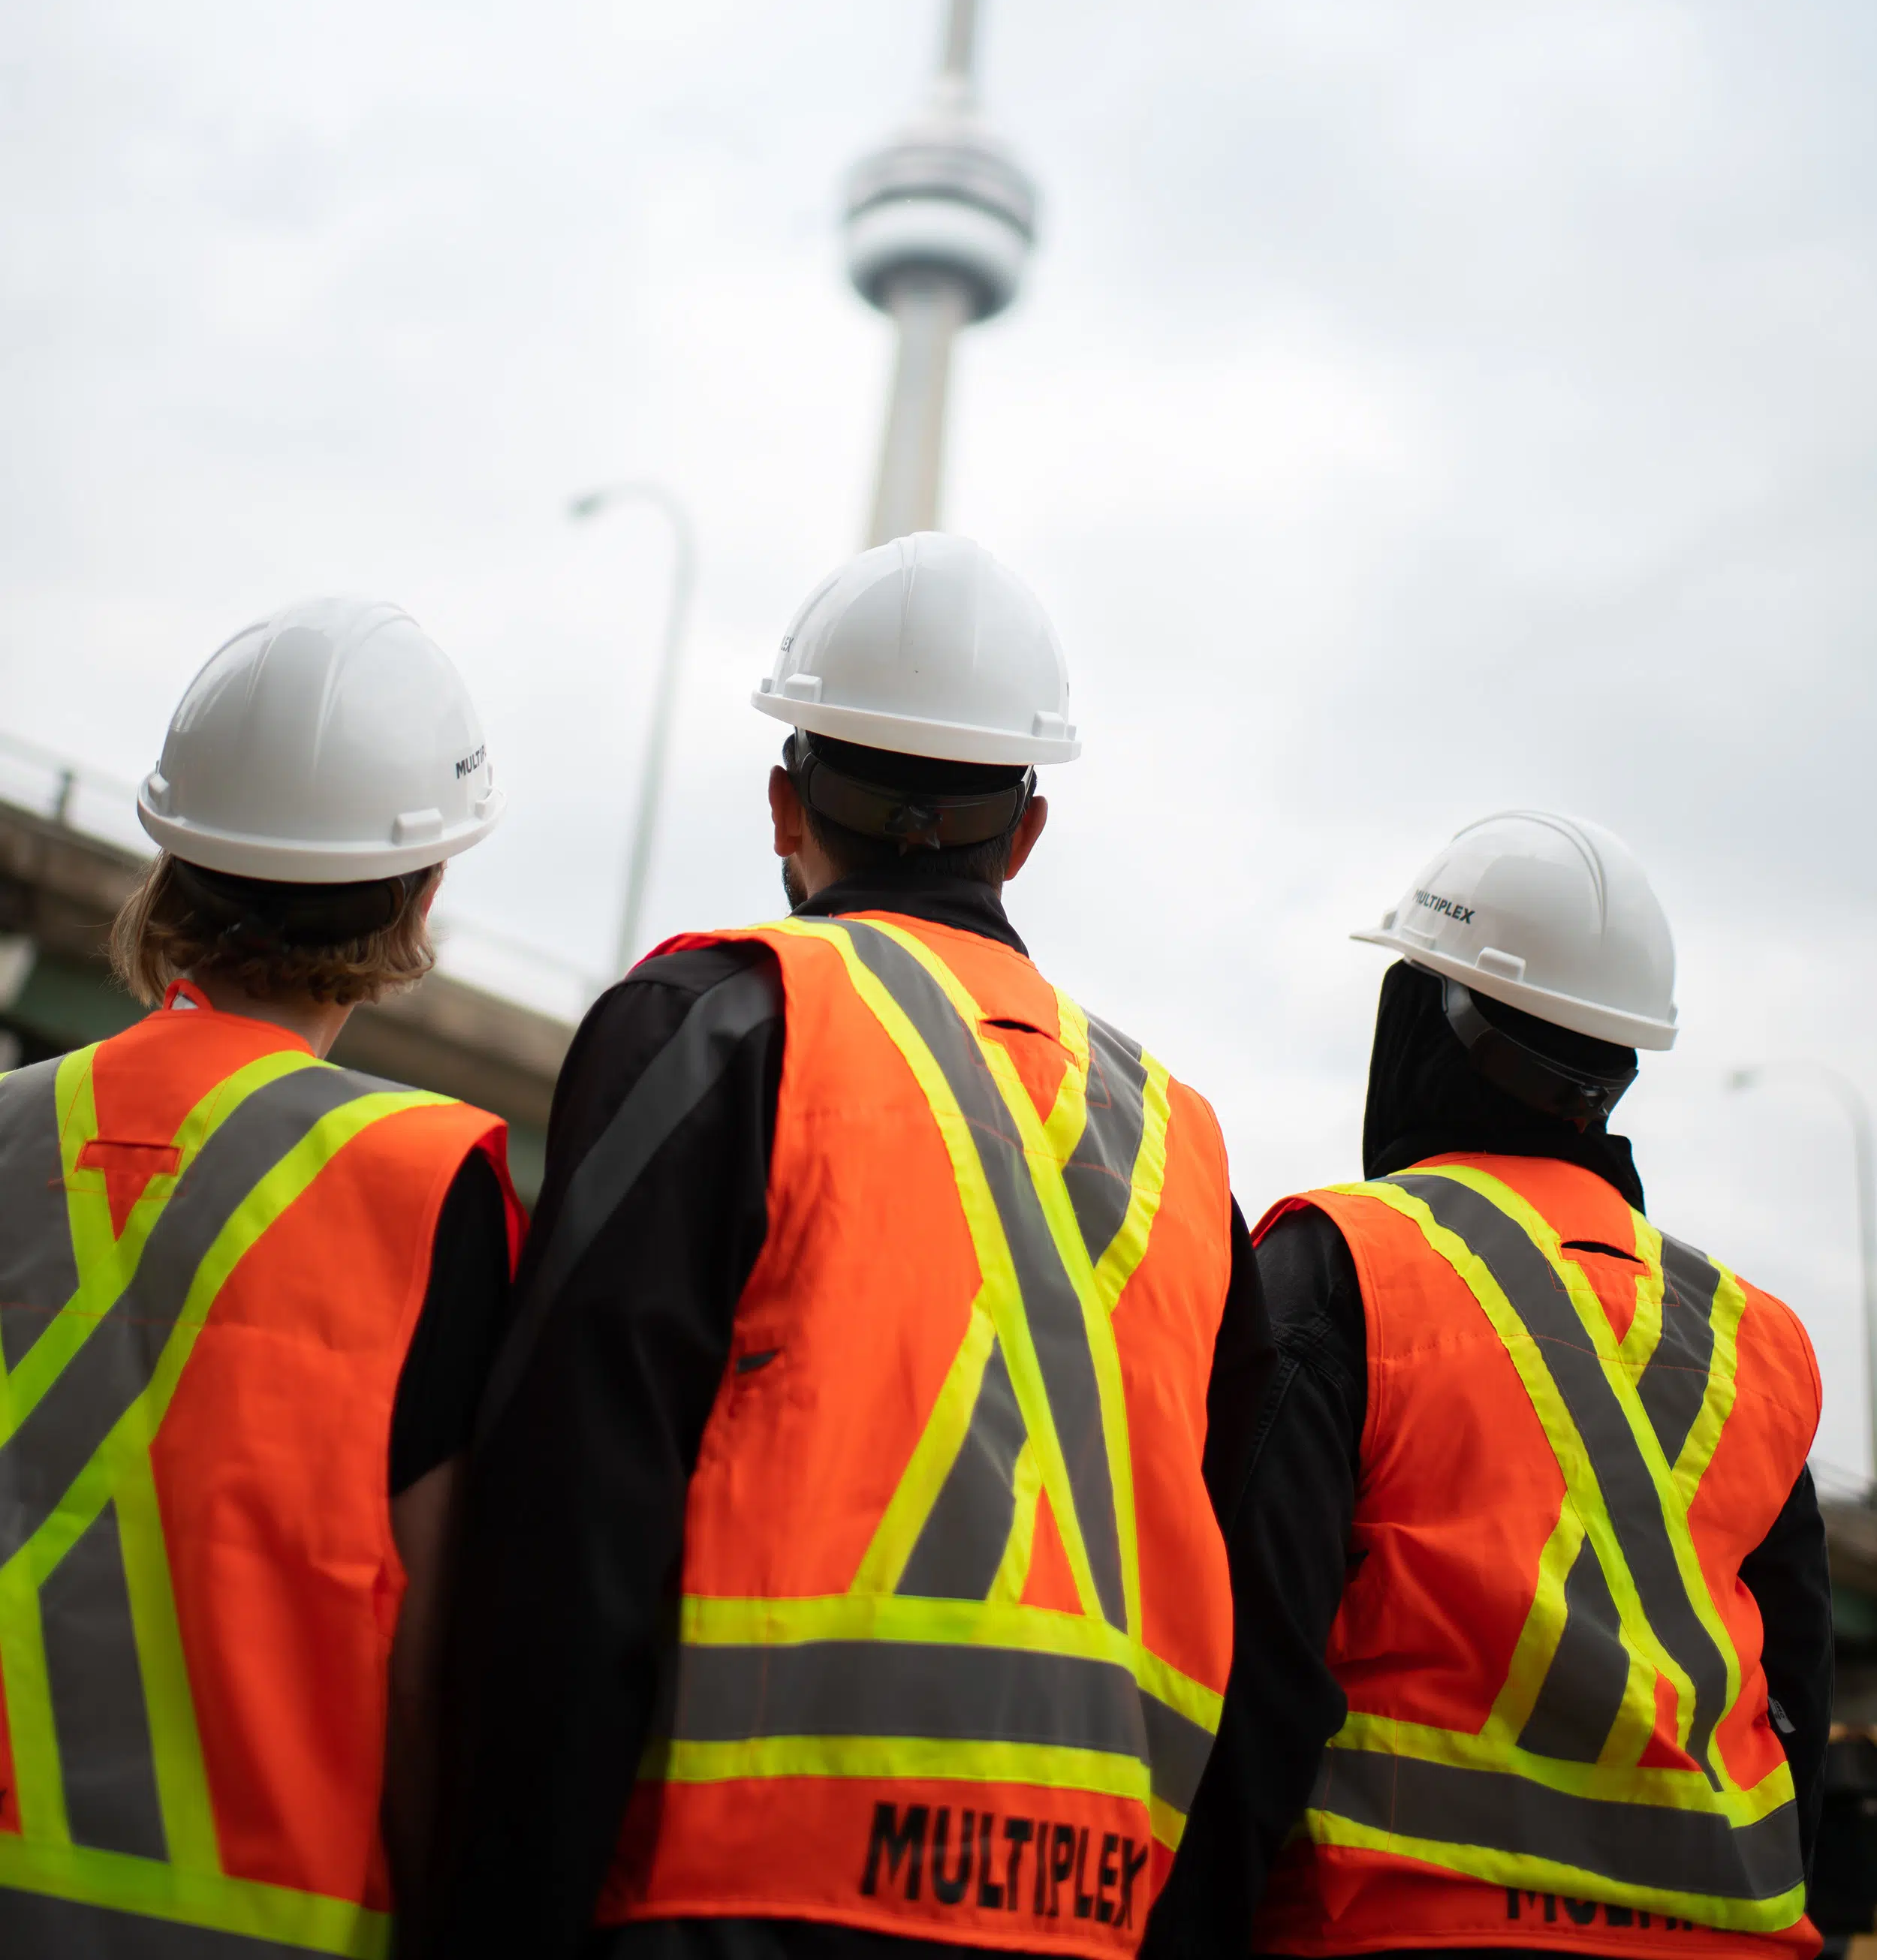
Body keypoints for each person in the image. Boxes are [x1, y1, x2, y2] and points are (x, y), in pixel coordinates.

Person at [424, 530, 1272, 1960]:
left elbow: (567, 1531)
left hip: (735, 1903)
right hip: (1088, 1918)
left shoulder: (718, 1025)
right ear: (1027, 830)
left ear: (782, 804)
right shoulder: (1183, 1144)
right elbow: (1250, 1577)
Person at [1150, 810, 1833, 1960]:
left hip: (1403, 1931)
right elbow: (1795, 1711)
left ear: (1428, 1021)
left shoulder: (1347, 1264)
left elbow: (1253, 1671)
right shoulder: (1750, 1338)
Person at [0, 595, 523, 1955]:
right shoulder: (424, 1186)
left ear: (170, 855)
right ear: (422, 890)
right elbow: (429, 1665)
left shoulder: (8, 1132)